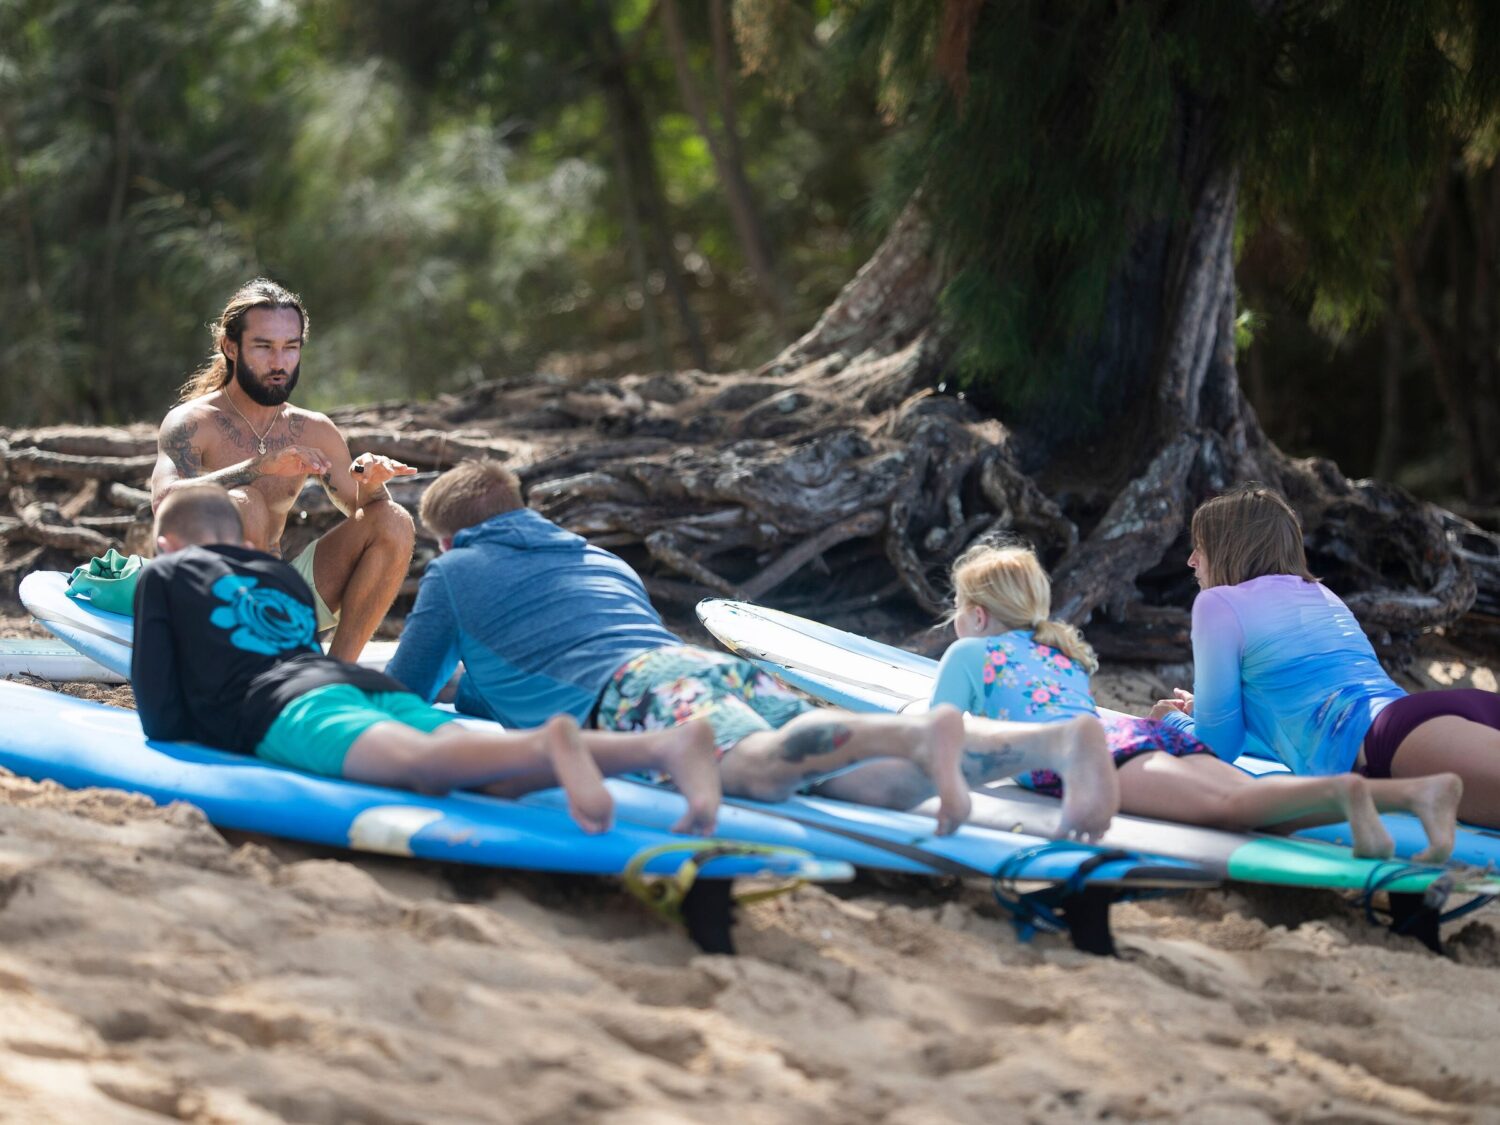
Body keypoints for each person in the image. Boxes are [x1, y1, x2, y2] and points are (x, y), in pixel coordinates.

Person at [386, 459, 1120, 838]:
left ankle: (921, 732)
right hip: (700, 667)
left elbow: (406, 690)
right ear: (522, 507)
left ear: (447, 538)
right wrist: (471, 688)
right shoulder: (600, 560)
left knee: (759, 773)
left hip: (644, 694)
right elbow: (528, 666)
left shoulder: (453, 570)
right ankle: (1051, 742)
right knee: (873, 782)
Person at [132, 484, 725, 836]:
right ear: (239, 540)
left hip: (285, 707)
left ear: (166, 546)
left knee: (422, 766)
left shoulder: (163, 572)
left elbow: (159, 701)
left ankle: (552, 742)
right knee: (488, 777)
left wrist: (185, 739)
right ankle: (662, 745)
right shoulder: (279, 575)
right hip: (356, 683)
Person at [933, 542, 1462, 862]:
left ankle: (1351, 792)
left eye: (958, 609)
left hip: (1093, 758)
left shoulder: (969, 651)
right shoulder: (1059, 653)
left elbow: (940, 734)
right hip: (1137, 737)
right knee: (1261, 809)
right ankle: (1414, 794)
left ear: (978, 615)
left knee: (1230, 810)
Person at [1152, 482, 1498, 832]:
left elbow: (1217, 747)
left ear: (1229, 548)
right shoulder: (1321, 594)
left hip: (1393, 742)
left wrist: (1171, 721)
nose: (1191, 560)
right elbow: (1298, 734)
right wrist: (1208, 711)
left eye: (1201, 546)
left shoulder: (1218, 603)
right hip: (1420, 723)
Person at [150, 278, 417, 662]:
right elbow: (163, 503)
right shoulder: (192, 423)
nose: (279, 363)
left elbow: (365, 515)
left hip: (280, 595)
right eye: (264, 347)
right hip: (201, 599)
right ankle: (250, 658)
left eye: (290, 348)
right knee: (247, 502)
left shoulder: (315, 429)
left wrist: (373, 486)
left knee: (392, 520)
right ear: (230, 346)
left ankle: (336, 675)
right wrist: (258, 467)